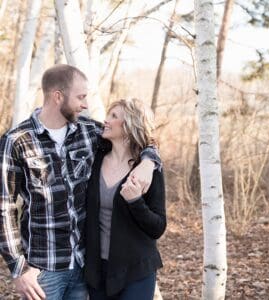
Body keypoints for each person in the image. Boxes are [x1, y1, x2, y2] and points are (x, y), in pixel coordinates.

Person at [0, 65, 160, 300]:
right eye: (80, 97)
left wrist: (149, 160)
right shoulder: (16, 141)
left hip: (85, 268)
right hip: (43, 270)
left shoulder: (89, 132)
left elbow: (137, 138)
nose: (85, 104)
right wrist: (18, 267)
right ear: (58, 96)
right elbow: (4, 208)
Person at [85, 99, 166, 300]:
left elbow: (158, 227)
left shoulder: (147, 169)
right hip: (97, 270)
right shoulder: (95, 158)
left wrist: (135, 201)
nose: (106, 120)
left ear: (130, 124)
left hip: (135, 271)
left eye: (114, 116)